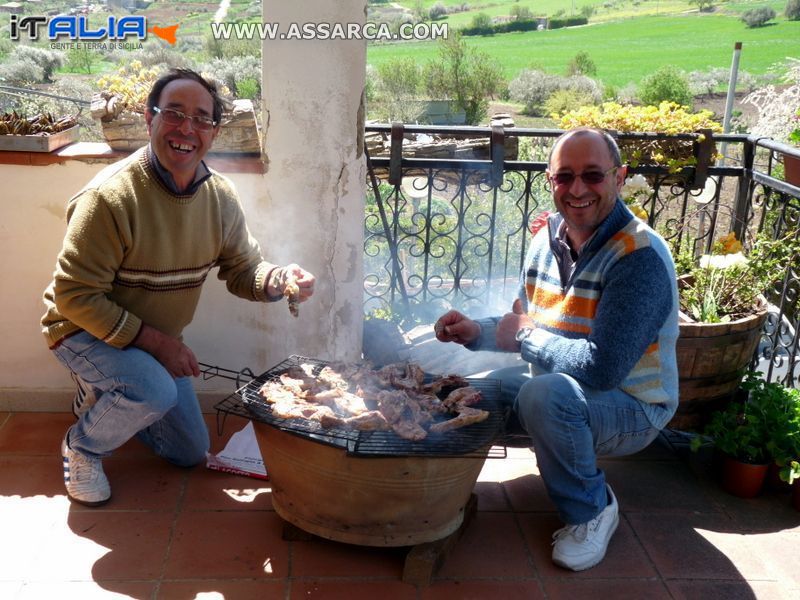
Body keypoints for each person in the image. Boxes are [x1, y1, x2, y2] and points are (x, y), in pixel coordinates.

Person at [41, 68, 315, 507]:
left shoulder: (219, 197)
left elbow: (243, 269)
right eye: (174, 113)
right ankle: (84, 445)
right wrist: (158, 345)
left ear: (214, 132)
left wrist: (280, 280)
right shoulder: (109, 198)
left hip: (151, 344)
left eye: (201, 118)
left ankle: (114, 393)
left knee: (189, 452)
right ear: (150, 121)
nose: (187, 128)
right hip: (79, 329)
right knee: (155, 389)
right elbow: (75, 296)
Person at [434, 127, 679, 571]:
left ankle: (592, 509)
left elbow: (602, 369)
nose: (578, 188)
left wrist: (525, 337)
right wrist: (476, 331)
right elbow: (532, 325)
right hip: (566, 388)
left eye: (593, 175)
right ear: (550, 181)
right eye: (564, 177)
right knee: (476, 390)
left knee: (542, 395)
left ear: (620, 177)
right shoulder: (545, 242)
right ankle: (442, 484)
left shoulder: (638, 257)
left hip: (635, 407)